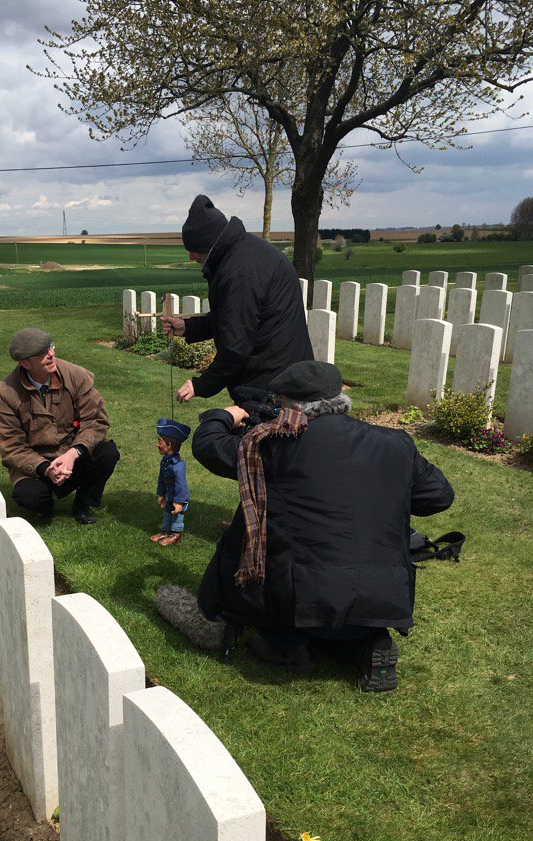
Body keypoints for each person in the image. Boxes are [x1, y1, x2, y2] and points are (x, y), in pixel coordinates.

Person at [190, 361, 455, 691]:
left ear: (289, 407)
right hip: (382, 599)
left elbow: (207, 445)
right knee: (344, 618)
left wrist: (225, 415)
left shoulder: (272, 445)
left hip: (301, 599)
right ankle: (369, 643)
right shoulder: (396, 443)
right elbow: (439, 496)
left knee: (244, 553)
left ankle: (287, 646)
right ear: (340, 398)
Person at [161, 194, 313, 404]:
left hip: (275, 385)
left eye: (192, 250)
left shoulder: (240, 272)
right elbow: (233, 318)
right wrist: (188, 327)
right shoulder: (241, 253)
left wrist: (201, 385)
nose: (190, 257)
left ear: (207, 244)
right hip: (281, 375)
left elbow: (235, 348)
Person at [0, 328, 119, 525]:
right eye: (42, 353)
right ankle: (45, 507)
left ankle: (83, 503)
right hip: (37, 468)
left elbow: (95, 420)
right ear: (25, 363)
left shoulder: (76, 376)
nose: (51, 354)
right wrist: (44, 468)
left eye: (50, 347)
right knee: (28, 495)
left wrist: (74, 453)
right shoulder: (5, 394)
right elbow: (11, 447)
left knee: (108, 452)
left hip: (71, 455)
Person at [152, 417, 191, 547]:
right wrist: (161, 494)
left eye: (160, 441)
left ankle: (176, 534)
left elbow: (181, 485)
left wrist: (179, 501)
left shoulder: (178, 466)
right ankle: (165, 531)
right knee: (168, 512)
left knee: (176, 515)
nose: (157, 445)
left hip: (178, 496)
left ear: (169, 445)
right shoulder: (165, 462)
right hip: (169, 495)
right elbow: (161, 479)